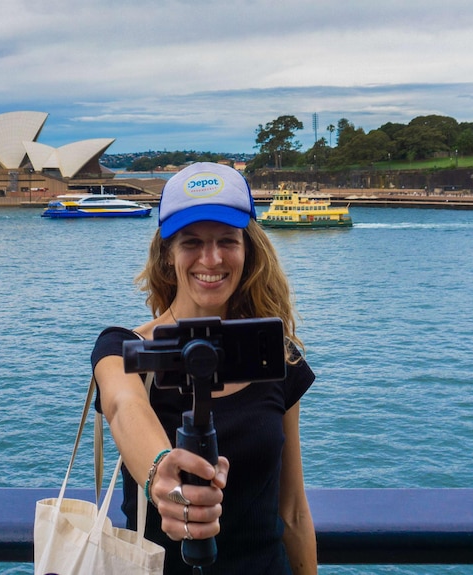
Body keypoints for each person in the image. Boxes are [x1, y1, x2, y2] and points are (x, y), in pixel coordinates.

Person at [91, 162, 317, 574]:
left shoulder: (276, 356)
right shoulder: (126, 348)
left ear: (247, 250)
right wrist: (162, 475)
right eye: (191, 242)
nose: (210, 259)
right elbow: (123, 405)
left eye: (227, 241)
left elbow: (293, 512)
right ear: (167, 253)